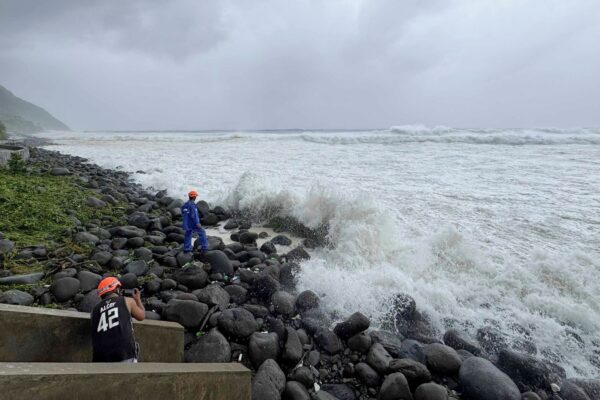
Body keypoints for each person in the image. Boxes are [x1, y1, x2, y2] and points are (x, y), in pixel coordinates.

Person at [90, 277, 145, 362]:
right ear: (116, 289)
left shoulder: (95, 310)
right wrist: (137, 299)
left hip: (100, 358)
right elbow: (141, 316)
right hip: (124, 353)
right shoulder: (127, 301)